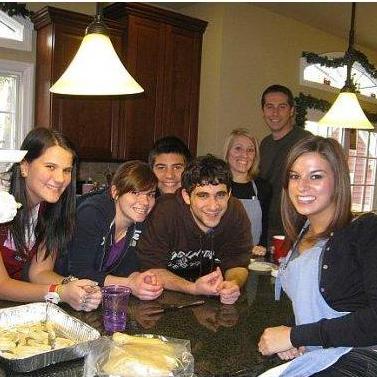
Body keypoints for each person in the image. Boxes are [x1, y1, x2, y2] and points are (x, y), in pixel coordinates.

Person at [258, 136, 377, 376]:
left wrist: (295, 335)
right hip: (317, 354)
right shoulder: (301, 233)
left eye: (316, 176)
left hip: (362, 357)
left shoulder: (366, 230)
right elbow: (307, 305)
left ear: (338, 180)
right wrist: (292, 336)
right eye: (294, 176)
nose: (302, 186)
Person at [0, 128, 101, 311]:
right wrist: (59, 292)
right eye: (50, 167)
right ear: (24, 167)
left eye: (67, 170)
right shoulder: (2, 205)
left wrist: (75, 286)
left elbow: (39, 272)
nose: (60, 178)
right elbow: (2, 285)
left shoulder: (51, 208)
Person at [137, 154, 251, 304]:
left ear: (229, 194)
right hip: (163, 301)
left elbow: (238, 263)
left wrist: (232, 284)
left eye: (220, 195)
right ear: (186, 196)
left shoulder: (235, 212)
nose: (213, 206)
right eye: (203, 196)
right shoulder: (164, 213)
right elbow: (152, 270)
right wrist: (193, 288)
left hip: (213, 303)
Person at [64, 161, 163, 301]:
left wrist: (140, 280)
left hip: (94, 297)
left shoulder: (139, 221)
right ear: (115, 192)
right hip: (61, 294)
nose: (145, 202)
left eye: (150, 194)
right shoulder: (92, 213)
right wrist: (129, 284)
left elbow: (128, 267)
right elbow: (79, 272)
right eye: (135, 192)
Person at [259, 84, 311, 243]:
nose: (275, 113)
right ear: (263, 111)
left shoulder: (305, 142)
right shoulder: (264, 144)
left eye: (282, 106)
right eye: (269, 107)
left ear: (291, 111)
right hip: (267, 226)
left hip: (295, 228)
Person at [224, 128, 272, 256]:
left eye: (250, 150)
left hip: (253, 259)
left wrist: (262, 247)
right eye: (238, 148)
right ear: (228, 152)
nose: (244, 155)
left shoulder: (263, 187)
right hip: (221, 257)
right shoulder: (217, 185)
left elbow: (266, 226)